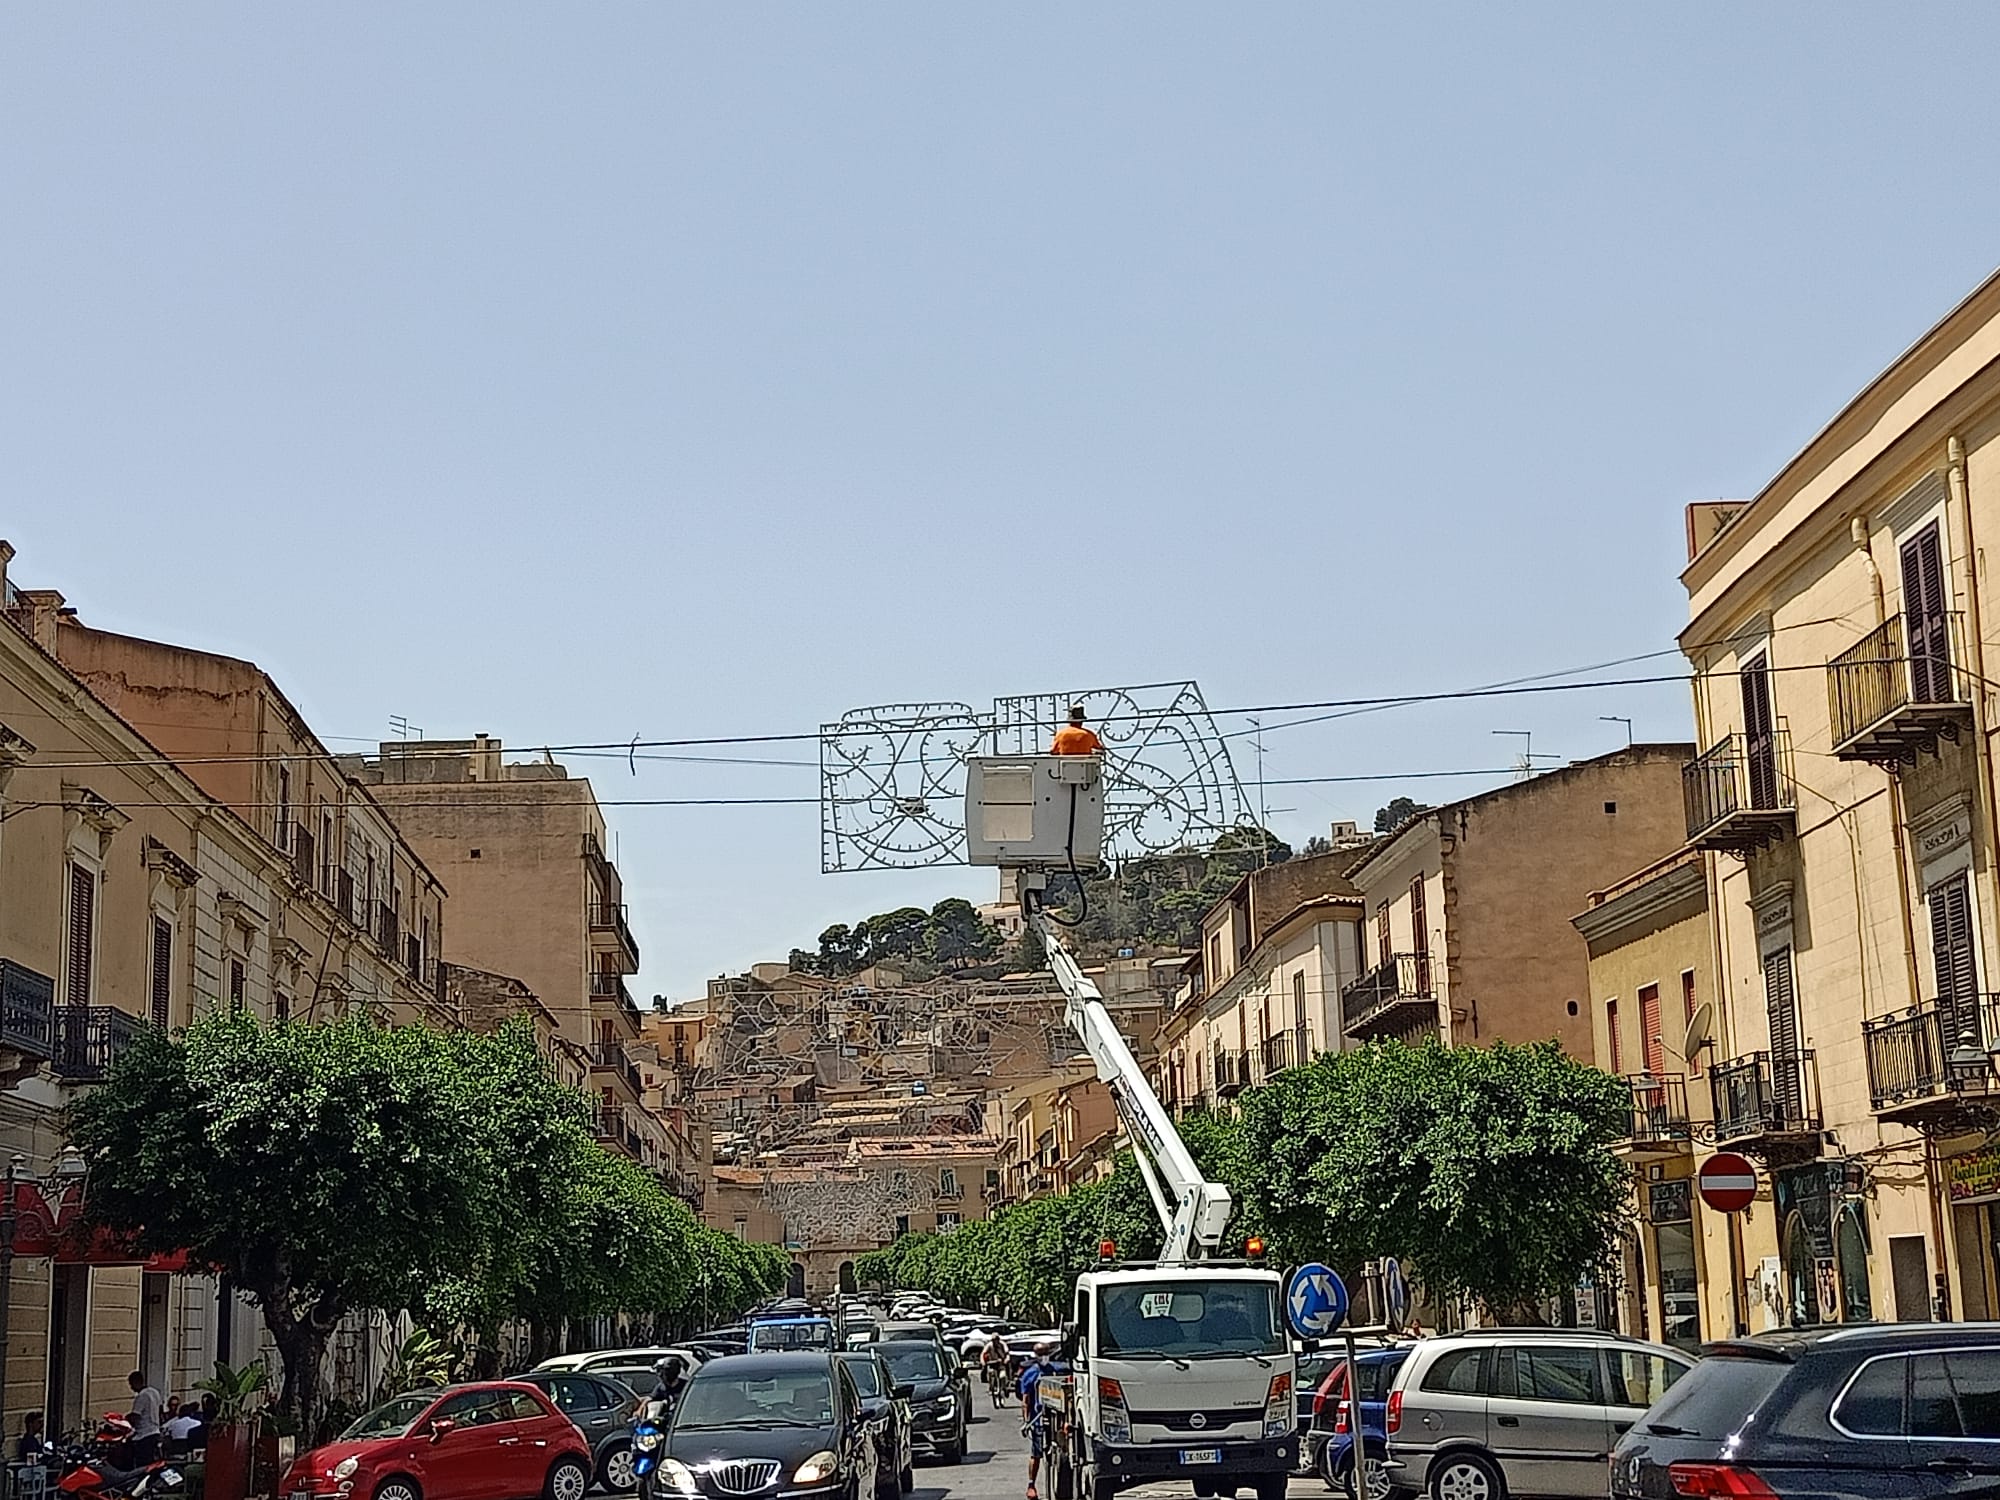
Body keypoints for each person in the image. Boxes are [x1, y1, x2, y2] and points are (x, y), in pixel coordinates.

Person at [1018, 1341, 1064, 1500]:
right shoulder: (1030, 1374)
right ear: (1035, 1355)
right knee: (1036, 1454)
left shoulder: (1057, 1370)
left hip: (1057, 1419)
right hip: (1038, 1421)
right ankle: (1031, 1485)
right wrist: (1026, 1421)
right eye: (1041, 1354)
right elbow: (1026, 1400)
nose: (1044, 1357)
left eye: (1046, 1353)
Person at [126, 1371, 164, 1466]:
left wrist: (125, 1420)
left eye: (131, 1384)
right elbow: (160, 1410)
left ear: (136, 1382)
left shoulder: (141, 1396)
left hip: (144, 1434)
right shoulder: (155, 1392)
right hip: (155, 1431)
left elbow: (136, 1415)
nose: (131, 1387)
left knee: (143, 1464)